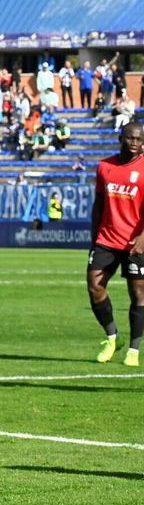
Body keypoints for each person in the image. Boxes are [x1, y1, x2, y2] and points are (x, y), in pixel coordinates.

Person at [90, 121, 144, 366]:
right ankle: (113, 337)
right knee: (94, 286)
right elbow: (99, 204)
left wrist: (143, 237)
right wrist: (94, 237)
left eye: (139, 139)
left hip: (136, 242)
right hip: (107, 238)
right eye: (130, 138)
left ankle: (134, 349)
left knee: (138, 294)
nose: (134, 143)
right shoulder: (104, 167)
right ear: (121, 138)